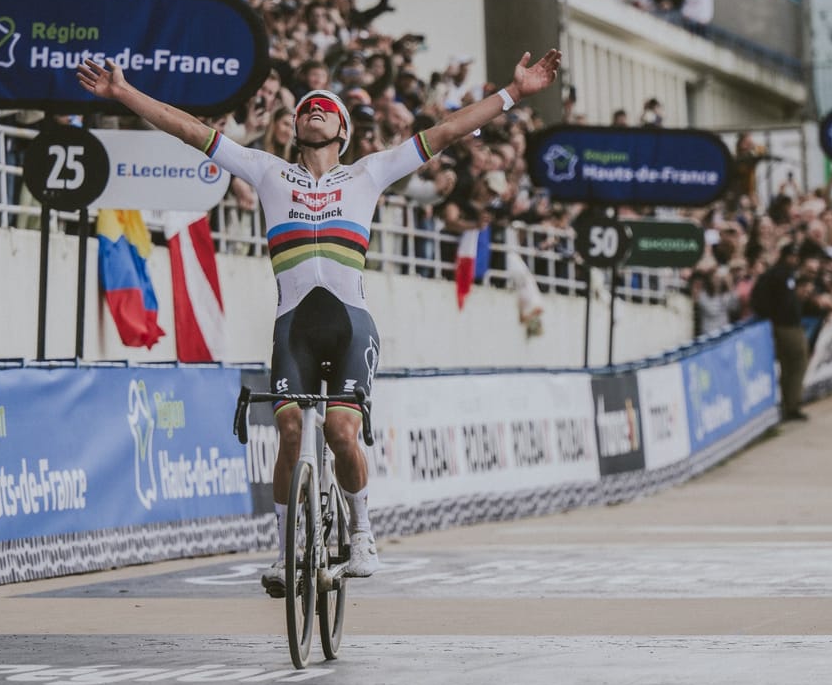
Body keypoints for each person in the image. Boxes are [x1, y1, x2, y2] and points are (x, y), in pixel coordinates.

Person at [77, 47, 563, 594]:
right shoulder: (266, 171)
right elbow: (191, 131)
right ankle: (285, 550)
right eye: (305, 106)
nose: (312, 108)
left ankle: (361, 533)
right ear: (294, 129)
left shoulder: (369, 173)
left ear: (343, 131)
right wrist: (123, 93)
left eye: (324, 107)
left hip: (351, 324)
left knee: (339, 428)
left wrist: (513, 94)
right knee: (288, 429)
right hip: (294, 327)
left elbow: (447, 131)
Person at [750, 243, 814, 421]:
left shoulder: (784, 274)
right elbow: (770, 300)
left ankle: (790, 403)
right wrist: (774, 316)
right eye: (791, 256)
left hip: (787, 323)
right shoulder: (781, 274)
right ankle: (792, 405)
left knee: (790, 365)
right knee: (797, 362)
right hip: (786, 325)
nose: (794, 260)